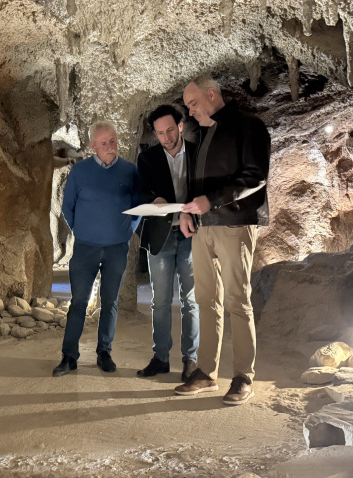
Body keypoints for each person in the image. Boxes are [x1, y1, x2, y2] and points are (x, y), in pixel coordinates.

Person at [173, 75, 271, 406]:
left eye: (194, 104)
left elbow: (255, 177)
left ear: (211, 94)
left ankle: (244, 376)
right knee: (205, 299)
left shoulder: (249, 126)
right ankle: (206, 372)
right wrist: (187, 211)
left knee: (237, 301)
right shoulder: (199, 136)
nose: (190, 112)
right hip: (202, 228)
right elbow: (193, 180)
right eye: (187, 106)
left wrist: (211, 201)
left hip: (235, 224)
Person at [53, 121, 140, 377]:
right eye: (104, 143)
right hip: (85, 248)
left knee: (110, 302)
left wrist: (126, 232)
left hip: (116, 248)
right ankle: (69, 356)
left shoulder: (129, 171)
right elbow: (67, 207)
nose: (110, 147)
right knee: (78, 302)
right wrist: (82, 232)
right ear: (92, 146)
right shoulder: (80, 171)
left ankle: (104, 353)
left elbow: (138, 208)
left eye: (113, 141)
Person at [136, 104, 200, 382]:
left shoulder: (199, 152)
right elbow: (139, 190)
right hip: (161, 235)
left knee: (191, 300)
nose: (167, 137)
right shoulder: (147, 158)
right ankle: (161, 357)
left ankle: (191, 360)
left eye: (171, 130)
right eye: (160, 133)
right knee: (159, 301)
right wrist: (154, 200)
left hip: (192, 234)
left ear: (181, 126)